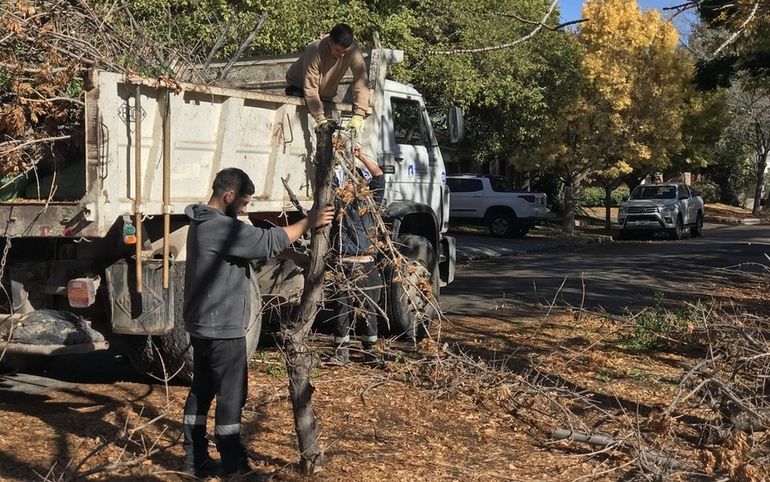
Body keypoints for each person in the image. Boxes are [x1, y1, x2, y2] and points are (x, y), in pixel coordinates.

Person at [181, 168, 334, 478]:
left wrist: (291, 256)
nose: (244, 210)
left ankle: (195, 459)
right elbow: (266, 240)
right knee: (230, 398)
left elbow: (245, 249)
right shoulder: (219, 226)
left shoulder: (202, 221)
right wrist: (310, 221)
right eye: (244, 203)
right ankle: (232, 468)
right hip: (223, 328)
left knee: (202, 391)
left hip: (203, 325)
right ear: (228, 196)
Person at [329, 145, 385, 364]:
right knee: (341, 309)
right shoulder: (337, 204)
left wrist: (361, 156)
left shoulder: (369, 203)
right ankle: (341, 352)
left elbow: (378, 176)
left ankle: (370, 351)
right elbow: (329, 180)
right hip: (342, 263)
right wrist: (334, 155)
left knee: (368, 308)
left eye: (355, 181)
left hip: (366, 264)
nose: (350, 184)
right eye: (348, 181)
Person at [285, 23, 370, 136]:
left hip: (324, 97)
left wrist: (359, 114)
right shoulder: (315, 49)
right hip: (299, 88)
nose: (341, 55)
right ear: (330, 42)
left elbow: (361, 79)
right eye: (337, 50)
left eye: (344, 52)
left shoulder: (353, 50)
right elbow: (310, 88)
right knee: (305, 128)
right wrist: (320, 118)